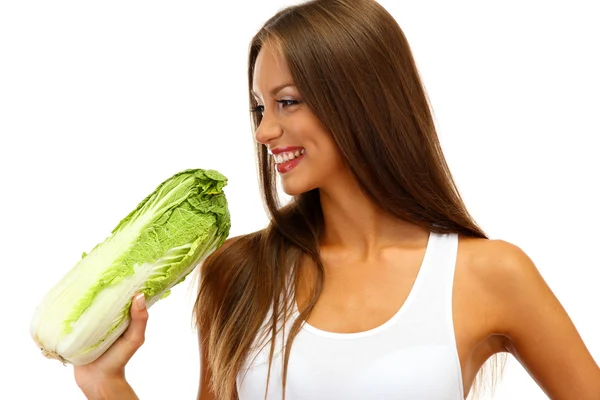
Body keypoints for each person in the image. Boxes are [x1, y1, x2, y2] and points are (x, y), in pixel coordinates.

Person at [73, 0, 600, 399]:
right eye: (259, 108)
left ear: (360, 100)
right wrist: (105, 382)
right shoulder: (238, 272)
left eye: (287, 102)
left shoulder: (488, 273)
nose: (265, 131)